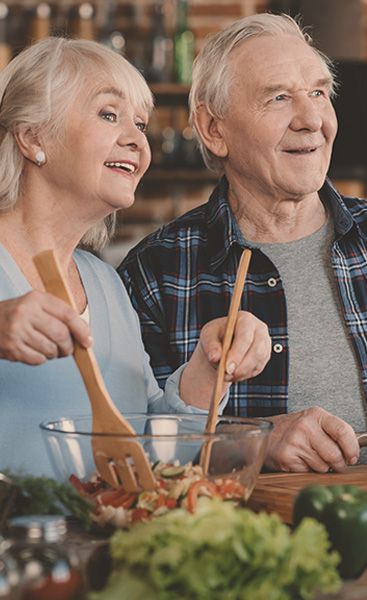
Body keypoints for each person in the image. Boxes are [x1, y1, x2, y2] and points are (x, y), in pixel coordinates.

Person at [119, 13, 367, 473]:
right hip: (253, 540)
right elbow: (140, 443)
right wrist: (255, 443)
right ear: (213, 129)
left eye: (319, 93)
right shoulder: (158, 272)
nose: (311, 120)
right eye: (279, 98)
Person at [0, 37, 271, 477]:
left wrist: (208, 365)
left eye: (141, 125)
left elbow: (150, 451)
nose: (135, 141)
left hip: (104, 541)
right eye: (109, 115)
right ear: (32, 137)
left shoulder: (105, 283)